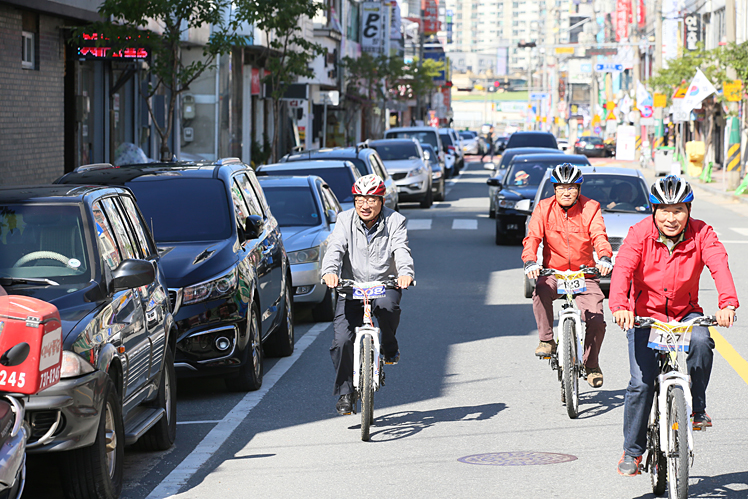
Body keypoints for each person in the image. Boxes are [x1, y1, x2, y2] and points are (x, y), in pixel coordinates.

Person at [610, 175, 738, 476]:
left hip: (685, 313)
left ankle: (697, 409)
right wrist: (620, 306)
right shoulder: (639, 234)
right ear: (653, 211)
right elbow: (623, 268)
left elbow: (719, 263)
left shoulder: (701, 233)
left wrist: (727, 303)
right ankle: (632, 453)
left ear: (688, 211)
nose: (671, 218)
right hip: (645, 315)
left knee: (702, 342)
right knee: (641, 384)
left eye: (678, 210)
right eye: (664, 211)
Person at [321, 174, 415, 416]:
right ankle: (346, 392)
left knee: (387, 308)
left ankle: (389, 345)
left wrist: (405, 273)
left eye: (371, 199)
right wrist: (330, 272)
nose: (365, 205)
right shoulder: (344, 220)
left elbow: (401, 249)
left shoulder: (396, 220)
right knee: (342, 341)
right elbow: (335, 248)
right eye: (360, 199)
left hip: (385, 283)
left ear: (381, 201)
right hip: (351, 286)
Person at [522, 163, 613, 387]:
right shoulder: (543, 208)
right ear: (554, 189)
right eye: (561, 187)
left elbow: (599, 235)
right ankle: (546, 340)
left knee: (597, 320)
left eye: (571, 187)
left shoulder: (591, 207)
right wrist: (531, 261)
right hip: (555, 272)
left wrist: (604, 257)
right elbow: (532, 237)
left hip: (584, 274)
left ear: (579, 189)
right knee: (540, 290)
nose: (566, 192)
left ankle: (591, 363)